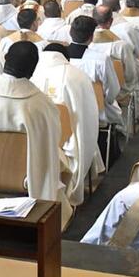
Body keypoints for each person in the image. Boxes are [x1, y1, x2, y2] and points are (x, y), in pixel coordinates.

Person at [0, 42, 71, 212]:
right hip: (26, 182)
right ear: (33, 69)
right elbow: (50, 143)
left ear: (5, 59)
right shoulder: (42, 105)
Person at [31, 42, 101, 205]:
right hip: (66, 146)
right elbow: (89, 116)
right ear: (66, 58)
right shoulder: (77, 75)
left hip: (31, 146)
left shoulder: (30, 71)